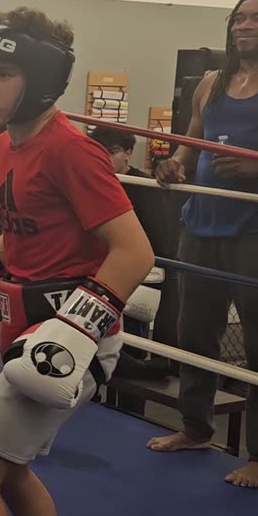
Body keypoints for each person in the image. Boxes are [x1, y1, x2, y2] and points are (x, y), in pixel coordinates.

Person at [0, 6, 156, 516]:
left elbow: (135, 252)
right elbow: (17, 237)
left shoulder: (72, 151)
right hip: (21, 333)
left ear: (40, 80)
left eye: (3, 74)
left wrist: (72, 330)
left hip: (71, 342)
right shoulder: (3, 146)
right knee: (12, 473)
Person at [149, 0, 258, 488]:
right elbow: (192, 143)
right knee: (194, 335)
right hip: (201, 224)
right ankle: (194, 428)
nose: (245, 25)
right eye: (239, 18)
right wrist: (174, 164)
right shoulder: (210, 83)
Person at [88, 126, 174, 377]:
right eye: (99, 152)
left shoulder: (144, 187)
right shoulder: (95, 182)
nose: (105, 158)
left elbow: (158, 239)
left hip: (134, 271)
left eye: (112, 152)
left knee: (128, 343)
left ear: (128, 153)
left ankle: (130, 373)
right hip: (98, 267)